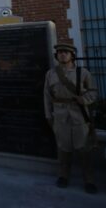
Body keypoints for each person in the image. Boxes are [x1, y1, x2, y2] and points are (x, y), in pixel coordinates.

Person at [44, 43, 98, 194]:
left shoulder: (83, 73)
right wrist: (48, 115)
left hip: (78, 115)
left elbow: (93, 92)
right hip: (60, 116)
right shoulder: (51, 74)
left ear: (72, 55)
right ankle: (63, 176)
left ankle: (89, 179)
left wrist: (85, 99)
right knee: (63, 149)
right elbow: (47, 96)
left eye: (66, 52)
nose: (62, 55)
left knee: (83, 150)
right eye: (60, 52)